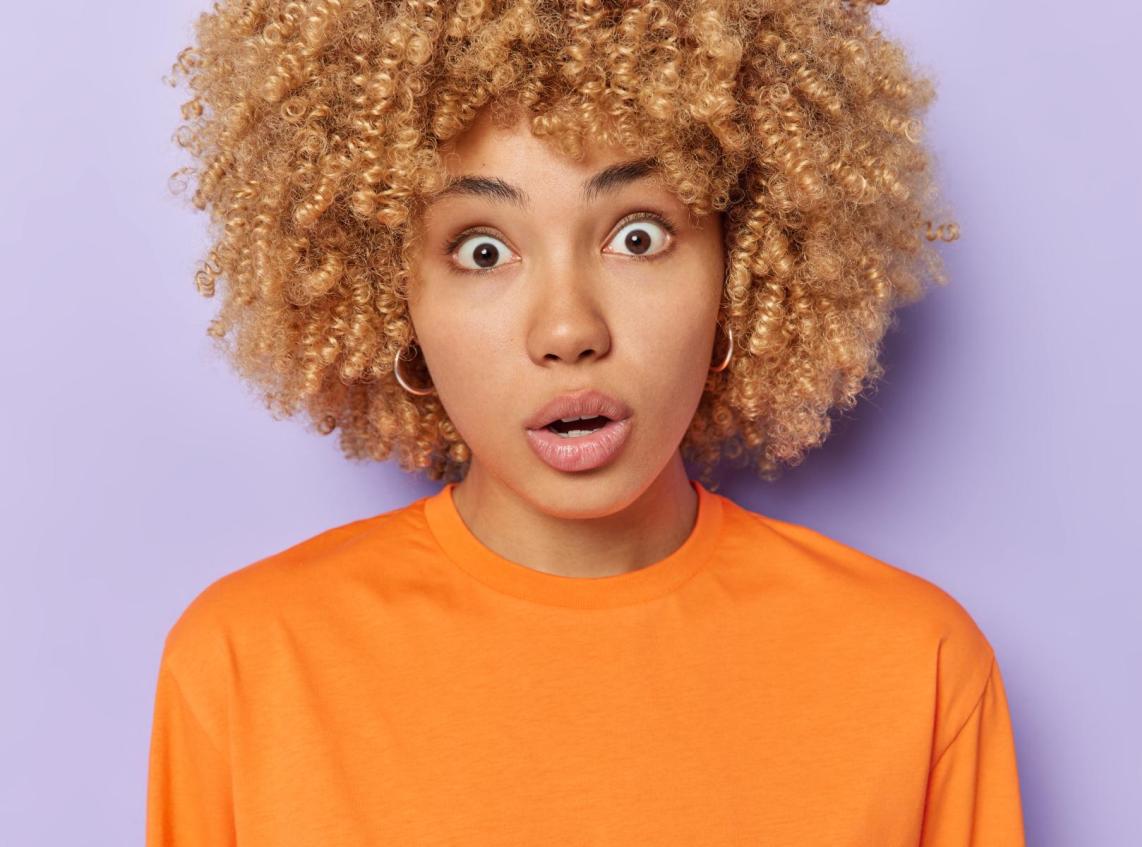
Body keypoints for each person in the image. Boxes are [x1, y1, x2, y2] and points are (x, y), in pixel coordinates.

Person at [148, 1, 1025, 844]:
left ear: (745, 262)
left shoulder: (916, 672)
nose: (569, 330)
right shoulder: (247, 668)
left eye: (638, 236)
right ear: (387, 292)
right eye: (482, 250)